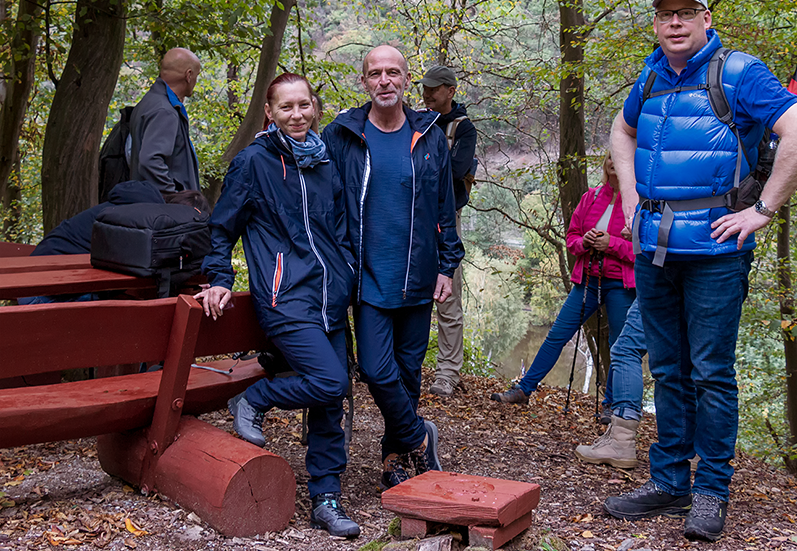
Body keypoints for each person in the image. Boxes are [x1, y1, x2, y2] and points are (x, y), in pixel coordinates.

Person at [603, 0, 797, 542]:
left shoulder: (739, 72)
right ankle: (671, 481)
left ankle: (711, 493)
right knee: (669, 369)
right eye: (664, 14)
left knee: (712, 373)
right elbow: (620, 132)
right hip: (655, 247)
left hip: (717, 249)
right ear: (655, 22)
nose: (673, 23)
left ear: (704, 18)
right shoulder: (650, 74)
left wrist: (763, 211)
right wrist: (629, 197)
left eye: (684, 13)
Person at [196, 73, 360, 539]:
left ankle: (326, 500)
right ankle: (253, 397)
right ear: (269, 112)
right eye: (286, 107)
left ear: (315, 107)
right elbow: (222, 228)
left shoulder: (327, 162)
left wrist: (346, 270)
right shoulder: (253, 163)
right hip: (285, 298)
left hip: (330, 297)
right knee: (329, 382)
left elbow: (342, 229)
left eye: (304, 105)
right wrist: (219, 279)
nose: (297, 115)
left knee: (334, 399)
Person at [321, 45, 464, 490]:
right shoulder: (342, 135)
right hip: (365, 278)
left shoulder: (430, 136)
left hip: (419, 275)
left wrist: (447, 265)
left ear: (405, 81)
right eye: (374, 73)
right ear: (363, 82)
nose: (384, 80)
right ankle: (419, 435)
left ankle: (394, 457)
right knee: (376, 370)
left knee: (408, 372)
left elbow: (445, 207)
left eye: (393, 73)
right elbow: (321, 201)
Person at [491, 153, 636, 415]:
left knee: (619, 345)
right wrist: (586, 242)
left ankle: (611, 405)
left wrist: (611, 244)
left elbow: (643, 249)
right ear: (605, 163)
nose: (615, 161)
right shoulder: (590, 197)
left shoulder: (639, 203)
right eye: (611, 157)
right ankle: (524, 389)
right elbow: (572, 239)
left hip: (620, 284)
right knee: (557, 335)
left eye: (621, 157)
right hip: (588, 281)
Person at [18, 181, 209, 305]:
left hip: (45, 287)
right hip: (43, 293)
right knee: (131, 311)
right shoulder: (143, 224)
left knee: (131, 309)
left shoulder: (135, 213)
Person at [416, 65, 478, 399]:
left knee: (447, 296)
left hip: (445, 220)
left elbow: (455, 171)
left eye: (433, 89)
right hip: (411, 217)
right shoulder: (416, 120)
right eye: (425, 89)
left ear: (450, 90)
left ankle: (447, 374)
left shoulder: (463, 129)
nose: (426, 95)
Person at [574, 298, 647, 468]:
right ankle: (695, 450)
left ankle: (622, 442)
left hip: (664, 276)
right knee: (689, 355)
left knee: (626, 349)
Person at [129, 47, 202, 192]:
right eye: (196, 76)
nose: (195, 80)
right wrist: (173, 196)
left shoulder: (150, 101)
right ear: (188, 75)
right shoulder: (164, 111)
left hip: (148, 201)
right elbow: (150, 161)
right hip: (162, 207)